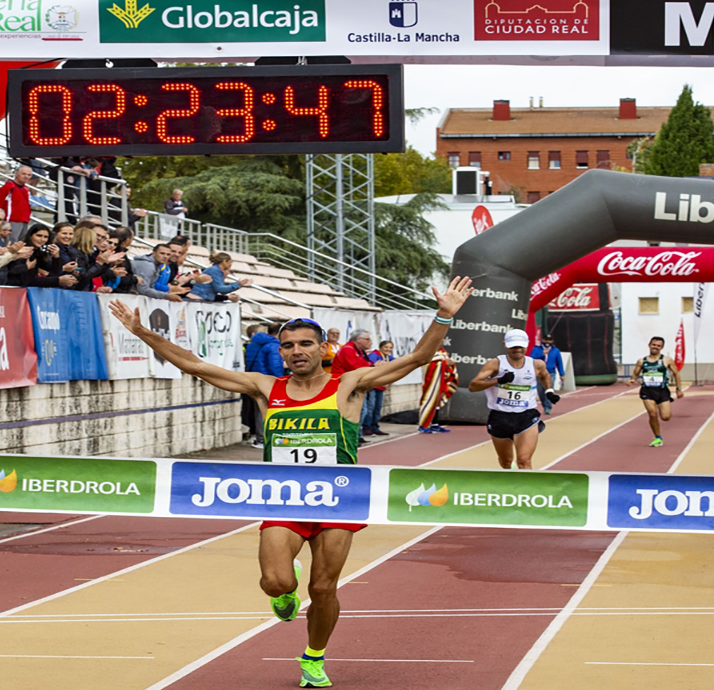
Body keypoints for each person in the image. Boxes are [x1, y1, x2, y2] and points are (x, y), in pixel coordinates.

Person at [108, 276, 474, 689]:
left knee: (323, 586)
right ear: (279, 352)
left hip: (339, 500)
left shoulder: (348, 385)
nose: (296, 351)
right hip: (283, 498)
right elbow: (194, 364)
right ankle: (285, 590)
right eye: (288, 345)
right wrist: (141, 332)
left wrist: (444, 315)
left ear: (323, 348)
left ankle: (313, 657)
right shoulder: (266, 388)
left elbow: (416, 359)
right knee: (277, 582)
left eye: (305, 344)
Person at [469, 329, 557, 470]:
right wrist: (498, 380)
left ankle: (526, 490)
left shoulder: (536, 364)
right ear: (505, 345)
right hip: (500, 416)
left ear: (527, 345)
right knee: (506, 462)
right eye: (513, 346)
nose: (517, 349)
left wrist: (549, 391)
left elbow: (545, 375)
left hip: (526, 415)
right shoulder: (495, 364)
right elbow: (473, 386)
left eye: (521, 346)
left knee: (524, 460)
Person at [626, 336, 685, 447]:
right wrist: (632, 379)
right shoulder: (641, 361)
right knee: (652, 414)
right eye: (654, 345)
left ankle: (661, 414)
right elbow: (636, 373)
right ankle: (658, 437)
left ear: (661, 347)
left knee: (665, 417)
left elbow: (676, 373)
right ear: (649, 345)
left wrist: (679, 389)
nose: (656, 347)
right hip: (647, 391)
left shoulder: (666, 360)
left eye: (658, 346)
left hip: (662, 391)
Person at [244, 322, 287, 447]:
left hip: (254, 379)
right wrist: (280, 382)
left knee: (258, 409)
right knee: (268, 409)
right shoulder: (273, 345)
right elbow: (275, 366)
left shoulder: (254, 343)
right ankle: (264, 438)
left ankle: (259, 437)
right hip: (268, 381)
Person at [332, 329, 376, 441]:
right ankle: (351, 435)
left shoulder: (358, 350)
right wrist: (373, 368)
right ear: (358, 339)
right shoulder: (348, 350)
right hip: (346, 384)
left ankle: (356, 434)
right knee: (358, 411)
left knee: (362, 410)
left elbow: (364, 365)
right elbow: (355, 367)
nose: (369, 341)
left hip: (356, 384)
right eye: (367, 339)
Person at [4, 222, 75, 288]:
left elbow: (54, 273)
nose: (42, 239)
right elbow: (28, 280)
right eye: (39, 236)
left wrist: (56, 257)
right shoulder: (22, 251)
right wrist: (58, 280)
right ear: (30, 236)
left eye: (45, 237)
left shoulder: (39, 252)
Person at [0, 165, 33, 241]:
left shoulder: (25, 189)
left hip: (24, 220)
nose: (26, 176)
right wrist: (2, 222)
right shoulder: (7, 188)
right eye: (24, 174)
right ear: (16, 174)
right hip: (11, 221)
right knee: (10, 244)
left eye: (29, 175)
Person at [418, 348, 456, 434]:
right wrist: (445, 363)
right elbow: (430, 364)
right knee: (429, 400)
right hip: (432, 381)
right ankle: (423, 425)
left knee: (437, 403)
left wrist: (449, 364)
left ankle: (434, 424)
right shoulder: (430, 350)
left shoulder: (442, 351)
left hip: (441, 380)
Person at [528, 333, 565, 414]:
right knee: (541, 391)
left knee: (548, 389)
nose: (548, 342)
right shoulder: (536, 349)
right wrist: (542, 354)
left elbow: (559, 362)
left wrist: (562, 374)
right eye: (546, 340)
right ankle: (545, 405)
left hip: (551, 372)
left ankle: (548, 407)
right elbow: (531, 359)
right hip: (539, 373)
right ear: (542, 340)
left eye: (550, 340)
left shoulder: (555, 350)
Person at [363, 341, 395, 436]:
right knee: (370, 407)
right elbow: (371, 369)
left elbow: (399, 363)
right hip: (372, 385)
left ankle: (375, 427)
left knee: (377, 407)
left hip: (381, 386)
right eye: (386, 347)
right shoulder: (374, 355)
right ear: (381, 347)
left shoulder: (388, 358)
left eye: (390, 347)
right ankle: (367, 427)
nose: (388, 349)